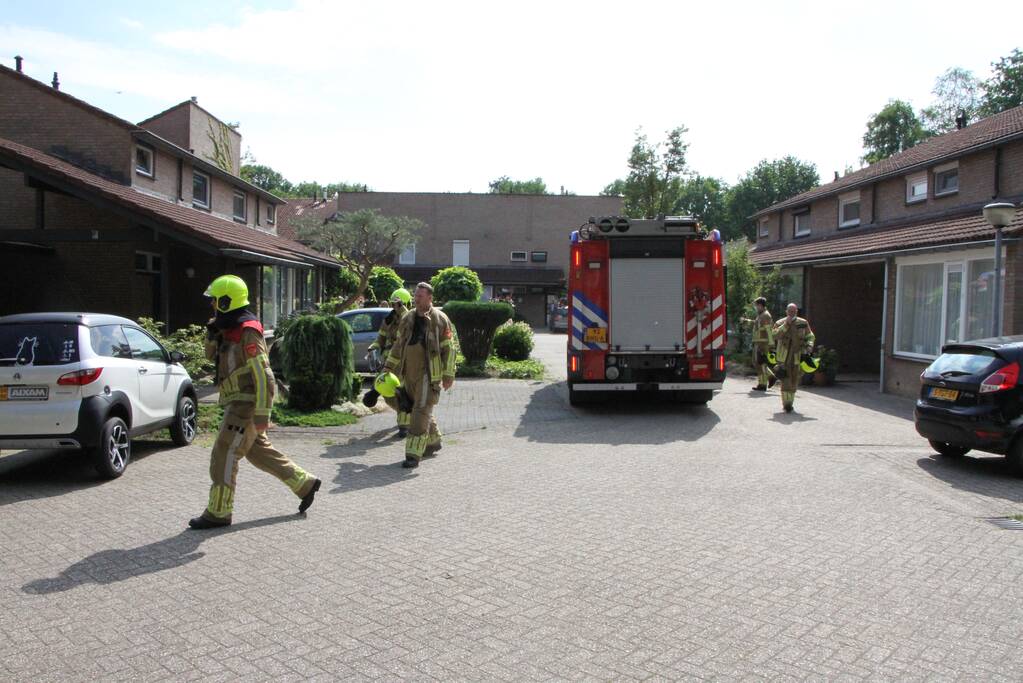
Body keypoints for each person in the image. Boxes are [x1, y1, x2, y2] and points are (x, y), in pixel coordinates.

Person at [188, 275, 321, 529]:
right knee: (258, 453)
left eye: (215, 300)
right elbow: (209, 355)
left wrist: (262, 415)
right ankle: (305, 484)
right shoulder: (226, 327)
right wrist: (211, 334)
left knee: (224, 453)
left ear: (226, 301)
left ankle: (218, 512)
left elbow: (264, 375)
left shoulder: (247, 331)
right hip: (236, 401)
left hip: (246, 404)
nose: (212, 305)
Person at [382, 282, 456, 468]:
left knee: (420, 411)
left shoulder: (440, 319)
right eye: (415, 295)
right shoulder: (408, 318)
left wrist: (448, 375)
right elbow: (399, 344)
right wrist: (388, 367)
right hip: (408, 373)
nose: (416, 299)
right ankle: (433, 441)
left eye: (420, 296)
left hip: (427, 375)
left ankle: (413, 455)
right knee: (414, 407)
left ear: (430, 298)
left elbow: (449, 349)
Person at [368, 288, 412, 436]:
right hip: (388, 361)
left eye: (398, 304)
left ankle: (404, 426)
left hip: (403, 361)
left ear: (405, 304)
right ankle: (405, 413)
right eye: (393, 304)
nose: (395, 307)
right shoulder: (388, 319)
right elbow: (380, 338)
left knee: (401, 392)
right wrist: (374, 347)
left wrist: (403, 309)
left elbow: (408, 325)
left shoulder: (409, 317)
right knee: (387, 393)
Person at [772, 303, 816, 413]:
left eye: (793, 311)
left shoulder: (803, 323)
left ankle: (790, 402)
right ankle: (787, 404)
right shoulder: (779, 323)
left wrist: (810, 345)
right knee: (786, 380)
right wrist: (786, 324)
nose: (791, 313)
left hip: (797, 356)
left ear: (796, 311)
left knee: (794, 380)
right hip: (783, 357)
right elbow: (775, 335)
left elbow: (810, 336)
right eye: (789, 311)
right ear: (786, 311)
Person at [741, 297, 777, 392]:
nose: (755, 307)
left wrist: (771, 345)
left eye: (756, 305)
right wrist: (747, 321)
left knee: (761, 363)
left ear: (760, 305)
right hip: (758, 342)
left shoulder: (765, 315)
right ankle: (770, 378)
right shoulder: (761, 315)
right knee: (757, 363)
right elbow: (758, 324)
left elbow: (769, 330)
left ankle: (763, 384)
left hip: (763, 344)